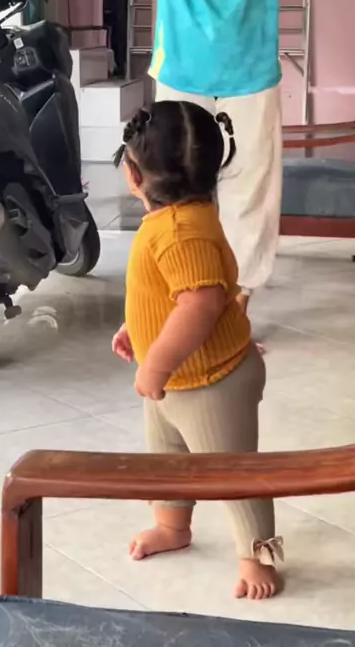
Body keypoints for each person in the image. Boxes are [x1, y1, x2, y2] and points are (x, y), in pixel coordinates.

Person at [115, 0, 318, 316]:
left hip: (249, 76)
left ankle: (237, 300)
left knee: (249, 189)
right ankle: (186, 288)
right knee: (176, 185)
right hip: (182, 74)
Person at [112, 101, 283, 600]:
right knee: (167, 460)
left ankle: (259, 557)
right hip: (179, 379)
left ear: (133, 175)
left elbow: (202, 303)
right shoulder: (185, 218)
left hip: (213, 383)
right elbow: (170, 291)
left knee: (234, 474)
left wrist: (157, 363)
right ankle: (172, 526)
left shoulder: (177, 231)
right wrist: (137, 326)